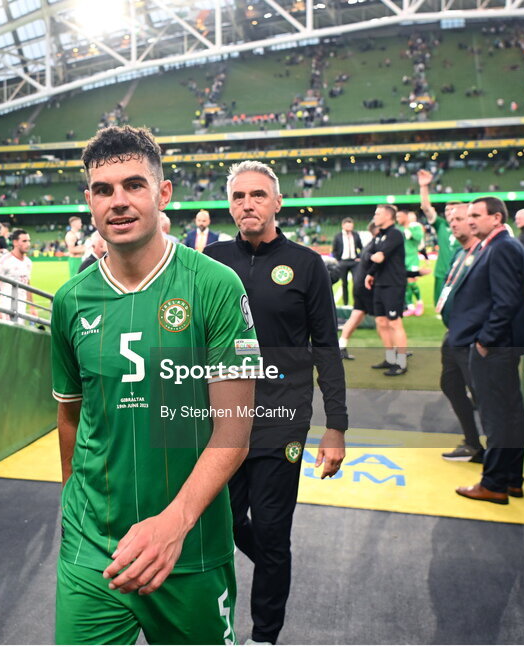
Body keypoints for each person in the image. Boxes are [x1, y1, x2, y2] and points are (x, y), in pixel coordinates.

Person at [50, 125, 255, 644]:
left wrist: (175, 523)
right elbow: (71, 412)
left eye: (134, 185)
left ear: (163, 193)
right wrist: (77, 498)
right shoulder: (70, 301)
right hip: (93, 546)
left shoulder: (218, 285)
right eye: (103, 190)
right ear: (90, 203)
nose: (118, 201)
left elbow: (235, 433)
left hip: (190, 546)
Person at [205, 160, 347, 646]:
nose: (248, 203)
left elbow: (326, 347)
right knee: (220, 525)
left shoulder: (306, 264)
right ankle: (220, 615)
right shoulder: (211, 257)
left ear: (277, 202)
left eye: (258, 195)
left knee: (271, 529)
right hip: (220, 419)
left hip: (281, 418)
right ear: (230, 203)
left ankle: (264, 637)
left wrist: (336, 426)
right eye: (239, 195)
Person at [448, 196, 524, 504]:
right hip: (500, 345)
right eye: (468, 214)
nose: (470, 220)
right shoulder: (501, 246)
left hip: (495, 347)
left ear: (496, 218)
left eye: (476, 215)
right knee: (509, 416)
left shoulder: (502, 248)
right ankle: (511, 479)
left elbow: (505, 301)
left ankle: (495, 482)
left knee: (497, 417)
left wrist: (486, 341)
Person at [434, 203, 484, 462]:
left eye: (460, 218)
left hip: (471, 338)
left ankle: (498, 456)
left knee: (480, 392)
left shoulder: (484, 253)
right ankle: (473, 443)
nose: (453, 223)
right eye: (451, 219)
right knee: (451, 384)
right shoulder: (459, 255)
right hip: (453, 333)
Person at [365, 205, 409, 376]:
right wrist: (370, 274)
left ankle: (402, 362)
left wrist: (369, 257)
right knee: (381, 323)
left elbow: (380, 257)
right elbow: (377, 261)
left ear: (389, 217)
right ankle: (390, 359)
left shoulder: (395, 234)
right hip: (380, 284)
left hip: (393, 284)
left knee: (394, 323)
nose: (375, 216)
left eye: (378, 213)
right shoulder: (380, 236)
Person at [416, 169, 460, 305]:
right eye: (446, 210)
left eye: (452, 209)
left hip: (461, 272)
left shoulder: (471, 226)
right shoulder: (441, 224)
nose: (448, 212)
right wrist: (424, 186)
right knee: (442, 307)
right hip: (442, 272)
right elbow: (426, 207)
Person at [337, 220, 376, 361]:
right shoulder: (376, 245)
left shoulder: (368, 245)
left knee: (355, 316)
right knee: (387, 322)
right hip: (367, 287)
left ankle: (341, 347)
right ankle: (396, 355)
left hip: (360, 285)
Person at [0, 228, 33, 323]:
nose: (28, 244)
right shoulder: (5, 260)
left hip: (22, 307)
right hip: (7, 306)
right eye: (24, 241)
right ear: (15, 242)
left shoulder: (28, 262)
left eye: (29, 241)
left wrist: (32, 307)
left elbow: (27, 285)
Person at [396, 208, 424, 316]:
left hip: (412, 258)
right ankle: (410, 306)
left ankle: (420, 303)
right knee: (406, 284)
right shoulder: (400, 227)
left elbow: (418, 238)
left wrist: (408, 229)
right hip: (402, 259)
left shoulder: (416, 227)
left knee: (412, 282)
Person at [331, 217, 362, 306]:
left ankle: (357, 303)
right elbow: (334, 250)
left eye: (351, 225)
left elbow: (361, 247)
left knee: (356, 282)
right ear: (343, 225)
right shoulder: (338, 236)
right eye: (348, 225)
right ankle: (345, 303)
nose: (350, 227)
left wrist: (359, 257)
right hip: (343, 262)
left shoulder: (356, 235)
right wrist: (338, 260)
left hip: (354, 262)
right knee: (344, 283)